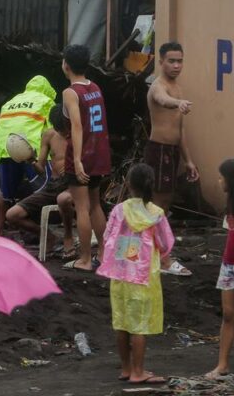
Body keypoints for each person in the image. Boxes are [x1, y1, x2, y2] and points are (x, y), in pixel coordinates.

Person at [97, 163, 174, 385]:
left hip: (120, 273)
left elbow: (107, 236)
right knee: (139, 325)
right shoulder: (156, 213)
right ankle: (139, 371)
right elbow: (164, 243)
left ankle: (126, 368)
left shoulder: (119, 210)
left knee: (122, 323)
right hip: (142, 275)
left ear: (128, 184)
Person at [145, 42, 196, 277]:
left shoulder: (178, 87)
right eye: (172, 61)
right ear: (161, 61)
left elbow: (180, 129)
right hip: (159, 151)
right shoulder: (158, 85)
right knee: (158, 207)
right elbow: (163, 99)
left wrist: (188, 160)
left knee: (161, 207)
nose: (177, 65)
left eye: (180, 61)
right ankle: (162, 259)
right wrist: (178, 103)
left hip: (172, 152)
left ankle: (152, 254)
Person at [61, 45, 111, 272]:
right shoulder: (96, 87)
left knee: (82, 207)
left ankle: (85, 259)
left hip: (82, 153)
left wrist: (78, 159)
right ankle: (103, 251)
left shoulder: (70, 92)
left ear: (66, 65)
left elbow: (77, 126)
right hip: (99, 152)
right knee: (96, 205)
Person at [0, 76, 57, 235]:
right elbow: (52, 132)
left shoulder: (10, 102)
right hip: (31, 148)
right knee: (43, 192)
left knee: (4, 192)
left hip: (5, 147)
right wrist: (52, 159)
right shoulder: (46, 101)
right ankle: (44, 234)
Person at [6, 106, 74, 253]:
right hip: (53, 186)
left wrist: (73, 167)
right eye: (59, 128)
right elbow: (41, 169)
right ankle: (49, 236)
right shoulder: (49, 135)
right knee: (12, 215)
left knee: (65, 200)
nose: (63, 132)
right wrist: (30, 159)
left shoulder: (78, 134)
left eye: (64, 127)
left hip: (73, 185)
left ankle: (68, 237)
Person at [207, 159, 234, 379]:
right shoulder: (232, 201)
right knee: (228, 315)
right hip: (229, 265)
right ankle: (222, 365)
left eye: (222, 176)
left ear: (231, 179)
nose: (219, 180)